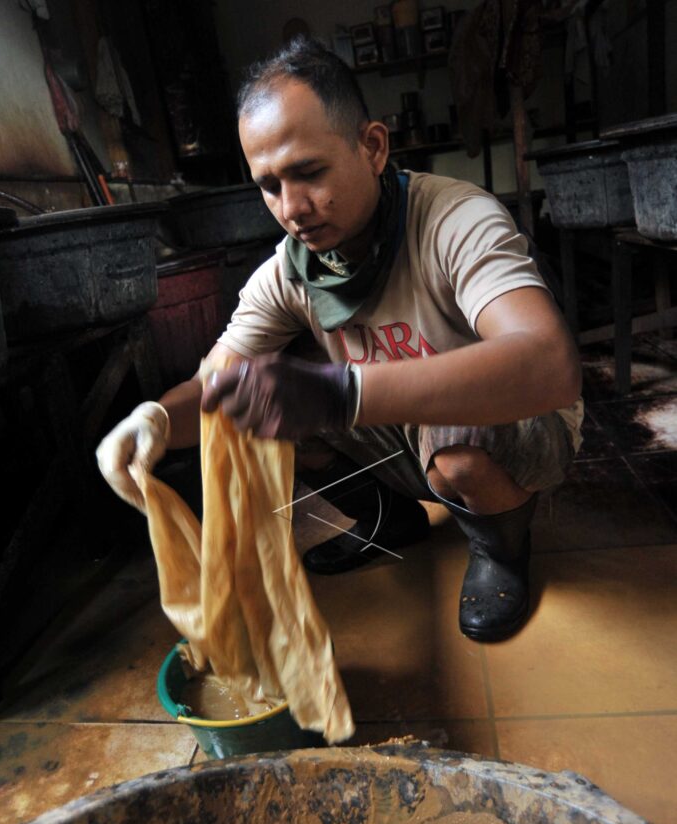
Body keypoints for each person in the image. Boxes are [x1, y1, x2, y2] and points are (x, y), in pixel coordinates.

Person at [96, 37, 582, 644]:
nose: (292, 207)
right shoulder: (288, 271)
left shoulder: (454, 219)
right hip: (402, 438)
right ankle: (386, 519)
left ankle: (500, 550)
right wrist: (156, 420)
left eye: (309, 173)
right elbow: (219, 385)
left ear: (372, 147)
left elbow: (548, 364)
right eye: (269, 185)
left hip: (510, 427)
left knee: (455, 443)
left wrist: (340, 393)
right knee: (258, 399)